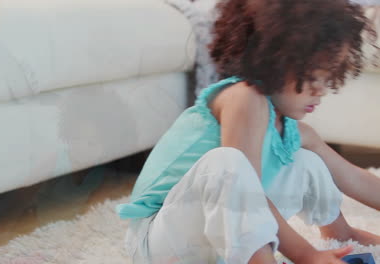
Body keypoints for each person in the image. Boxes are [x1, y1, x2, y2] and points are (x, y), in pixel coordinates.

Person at [116, 0, 380, 263]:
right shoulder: (245, 99)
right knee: (229, 164)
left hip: (212, 236)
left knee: (308, 161)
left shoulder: (294, 129)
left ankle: (342, 234)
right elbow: (245, 191)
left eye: (329, 77)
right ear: (271, 60)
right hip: (161, 240)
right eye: (312, 77)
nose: (322, 90)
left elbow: (354, 178)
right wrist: (305, 254)